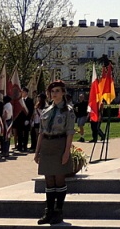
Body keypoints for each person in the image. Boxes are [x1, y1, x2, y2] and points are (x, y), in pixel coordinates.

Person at [34, 80, 76, 225]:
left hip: (59, 144)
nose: (55, 94)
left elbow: (70, 132)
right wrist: (37, 151)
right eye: (52, 91)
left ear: (63, 92)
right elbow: (41, 132)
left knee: (59, 179)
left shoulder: (68, 110)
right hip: (46, 145)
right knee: (49, 180)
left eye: (58, 91)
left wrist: (66, 152)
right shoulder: (46, 110)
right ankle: (49, 211)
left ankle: (59, 211)